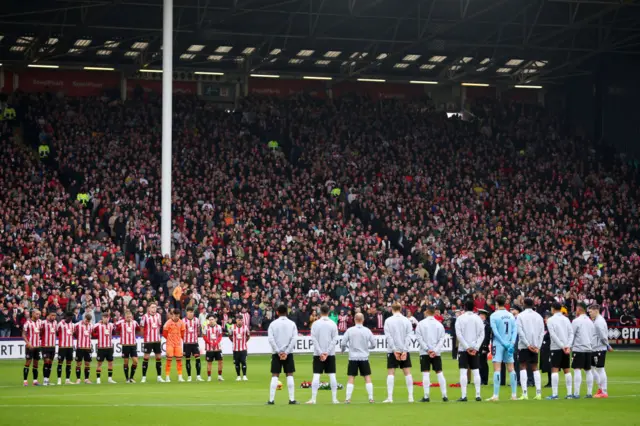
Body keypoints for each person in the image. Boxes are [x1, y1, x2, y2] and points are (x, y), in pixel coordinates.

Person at [266, 304, 299, 405]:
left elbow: (271, 339)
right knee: (289, 374)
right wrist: (286, 352)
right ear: (287, 312)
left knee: (275, 375)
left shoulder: (273, 324)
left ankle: (271, 400)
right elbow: (294, 339)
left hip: (276, 354)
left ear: (277, 312)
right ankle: (292, 399)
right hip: (288, 353)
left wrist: (279, 352)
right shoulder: (292, 324)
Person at [307, 305, 339, 405]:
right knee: (332, 375)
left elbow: (314, 339)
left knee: (316, 375)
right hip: (330, 354)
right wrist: (327, 352)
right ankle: (334, 399)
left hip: (318, 354)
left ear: (320, 312)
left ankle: (313, 399)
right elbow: (335, 339)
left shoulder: (316, 324)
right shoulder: (333, 323)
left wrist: (321, 352)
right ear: (328, 311)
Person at [415, 305, 448, 402]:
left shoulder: (421, 324)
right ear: (434, 312)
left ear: (426, 311)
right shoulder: (439, 325)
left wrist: (427, 349)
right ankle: (444, 395)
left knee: (426, 373)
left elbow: (419, 338)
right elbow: (442, 339)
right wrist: (435, 350)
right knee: (439, 372)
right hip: (436, 352)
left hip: (425, 352)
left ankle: (426, 396)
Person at [340, 312, 376, 403]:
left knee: (351, 377)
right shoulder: (367, 330)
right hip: (364, 357)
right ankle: (371, 398)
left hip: (353, 357)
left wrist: (343, 349)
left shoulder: (350, 330)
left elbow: (343, 343)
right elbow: (374, 344)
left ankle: (348, 398)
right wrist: (367, 348)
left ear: (354, 319)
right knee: (367, 377)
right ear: (363, 320)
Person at [383, 302, 414, 403]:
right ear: (401, 309)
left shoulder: (388, 320)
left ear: (392, 309)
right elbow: (409, 336)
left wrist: (394, 349)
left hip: (393, 350)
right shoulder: (406, 320)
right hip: (404, 349)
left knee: (391, 373)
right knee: (407, 373)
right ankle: (410, 397)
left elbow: (388, 336)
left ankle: (390, 397)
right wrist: (405, 350)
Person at [487, 295, 517, 401]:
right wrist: (511, 343)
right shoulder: (511, 315)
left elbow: (495, 332)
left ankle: (496, 395)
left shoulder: (494, 316)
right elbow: (514, 330)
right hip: (509, 344)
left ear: (496, 303)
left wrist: (503, 343)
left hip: (499, 344)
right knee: (511, 368)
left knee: (497, 368)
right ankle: (514, 395)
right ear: (505, 303)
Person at [455, 299, 484, 402]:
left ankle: (464, 396)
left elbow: (459, 334)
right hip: (474, 349)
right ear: (474, 307)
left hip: (464, 349)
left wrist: (466, 347)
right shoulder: (478, 318)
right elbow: (482, 334)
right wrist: (476, 347)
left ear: (464, 307)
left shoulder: (460, 318)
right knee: (476, 371)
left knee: (463, 372)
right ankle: (478, 395)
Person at [515, 298, 544, 400]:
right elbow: (541, 332)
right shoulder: (539, 316)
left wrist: (527, 344)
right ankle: (538, 393)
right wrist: (538, 346)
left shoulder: (520, 316)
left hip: (524, 345)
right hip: (535, 345)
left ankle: (524, 393)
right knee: (535, 367)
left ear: (524, 305)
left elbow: (520, 332)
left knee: (523, 367)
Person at [546, 302, 574, 400]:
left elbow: (553, 335)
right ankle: (570, 394)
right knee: (567, 370)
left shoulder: (550, 320)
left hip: (556, 347)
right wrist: (568, 346)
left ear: (553, 309)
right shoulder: (566, 319)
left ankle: (555, 394)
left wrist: (562, 346)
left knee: (554, 369)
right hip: (566, 347)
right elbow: (571, 333)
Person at [571, 302, 595, 399]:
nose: (575, 311)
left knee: (577, 370)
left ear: (579, 309)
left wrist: (569, 346)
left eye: (576, 309)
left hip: (579, 348)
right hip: (589, 348)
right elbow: (593, 335)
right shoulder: (590, 321)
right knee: (588, 370)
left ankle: (576, 393)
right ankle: (589, 393)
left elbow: (571, 335)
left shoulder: (576, 321)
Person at [589, 304, 613, 398]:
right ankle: (600, 388)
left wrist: (607, 345)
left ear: (596, 310)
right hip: (595, 348)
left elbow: (603, 336)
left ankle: (604, 391)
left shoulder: (599, 322)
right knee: (591, 368)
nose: (590, 313)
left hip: (599, 348)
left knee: (600, 369)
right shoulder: (597, 320)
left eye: (591, 311)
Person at [140, 303, 164, 383]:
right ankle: (143, 377)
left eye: (155, 307)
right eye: (152, 307)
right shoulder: (144, 317)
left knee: (158, 358)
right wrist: (145, 337)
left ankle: (159, 377)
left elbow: (159, 326)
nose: (154, 309)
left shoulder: (158, 316)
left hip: (157, 340)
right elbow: (142, 328)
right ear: (149, 308)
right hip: (148, 340)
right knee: (146, 358)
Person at [115, 310, 139, 383]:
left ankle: (131, 377)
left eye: (130, 317)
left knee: (135, 361)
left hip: (133, 344)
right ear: (125, 317)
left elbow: (138, 329)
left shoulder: (134, 322)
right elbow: (115, 327)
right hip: (125, 345)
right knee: (126, 361)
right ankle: (127, 378)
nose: (129, 318)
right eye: (127, 317)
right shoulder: (121, 323)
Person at [163, 309, 186, 382]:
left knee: (179, 360)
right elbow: (164, 333)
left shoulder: (181, 322)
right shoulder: (168, 323)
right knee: (169, 360)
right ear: (172, 315)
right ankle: (167, 377)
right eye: (175, 316)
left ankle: (180, 376)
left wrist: (179, 339)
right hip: (170, 344)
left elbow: (182, 333)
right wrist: (170, 339)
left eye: (178, 316)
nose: (177, 317)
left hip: (178, 344)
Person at [94, 313, 117, 384]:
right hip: (101, 347)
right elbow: (92, 330)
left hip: (109, 347)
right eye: (104, 317)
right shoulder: (98, 325)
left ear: (109, 318)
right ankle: (98, 379)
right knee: (99, 363)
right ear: (102, 318)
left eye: (107, 317)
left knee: (110, 363)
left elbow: (114, 332)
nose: (106, 319)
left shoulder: (111, 325)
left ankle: (110, 379)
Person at [183, 307, 203, 382]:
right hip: (186, 344)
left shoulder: (197, 320)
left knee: (198, 359)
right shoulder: (183, 321)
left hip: (195, 343)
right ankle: (189, 377)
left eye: (192, 312)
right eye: (189, 312)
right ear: (186, 312)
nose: (191, 313)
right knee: (187, 360)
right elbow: (181, 332)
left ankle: (198, 376)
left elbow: (198, 330)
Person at [22, 309, 42, 386]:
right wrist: (28, 343)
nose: (38, 315)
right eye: (37, 314)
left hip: (37, 346)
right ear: (33, 314)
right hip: (30, 346)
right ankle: (25, 381)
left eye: (39, 314)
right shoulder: (27, 323)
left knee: (36, 363)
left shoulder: (40, 322)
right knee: (28, 362)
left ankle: (35, 381)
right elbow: (23, 334)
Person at [203, 314, 224, 382]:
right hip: (209, 348)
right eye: (210, 320)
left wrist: (216, 343)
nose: (211, 321)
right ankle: (209, 377)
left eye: (212, 319)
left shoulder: (219, 327)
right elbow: (204, 336)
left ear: (215, 319)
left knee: (220, 362)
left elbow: (220, 336)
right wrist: (210, 343)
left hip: (218, 348)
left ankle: (219, 376)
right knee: (209, 363)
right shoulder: (205, 327)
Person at [74, 313, 93, 384]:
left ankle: (86, 379)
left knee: (87, 363)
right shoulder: (77, 325)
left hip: (87, 347)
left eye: (88, 321)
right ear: (84, 318)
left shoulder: (91, 325)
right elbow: (73, 332)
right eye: (86, 320)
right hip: (80, 347)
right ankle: (78, 379)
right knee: (78, 363)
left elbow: (92, 334)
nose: (87, 322)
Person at [56, 312, 75, 385]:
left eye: (71, 318)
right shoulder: (61, 323)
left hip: (70, 347)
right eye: (68, 317)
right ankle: (59, 379)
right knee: (60, 363)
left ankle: (67, 379)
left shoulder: (72, 324)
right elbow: (57, 332)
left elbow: (73, 333)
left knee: (69, 363)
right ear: (65, 317)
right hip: (62, 347)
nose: (69, 319)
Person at [40, 311, 57, 386]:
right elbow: (40, 332)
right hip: (45, 346)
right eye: (52, 315)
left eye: (54, 316)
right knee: (46, 362)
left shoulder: (55, 322)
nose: (53, 317)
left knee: (50, 363)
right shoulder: (43, 323)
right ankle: (44, 380)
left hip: (52, 346)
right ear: (49, 315)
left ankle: (47, 380)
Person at [230, 316, 250, 381]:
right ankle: (238, 376)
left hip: (243, 348)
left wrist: (244, 341)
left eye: (241, 320)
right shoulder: (232, 327)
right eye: (239, 320)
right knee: (237, 363)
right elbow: (230, 335)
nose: (240, 321)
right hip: (235, 349)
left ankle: (244, 375)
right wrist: (233, 341)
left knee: (243, 362)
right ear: (236, 320)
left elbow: (248, 336)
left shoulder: (245, 327)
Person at [478, 309, 491, 385]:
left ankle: (484, 380)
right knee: (479, 363)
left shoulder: (486, 325)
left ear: (483, 316)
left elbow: (486, 337)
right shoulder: (480, 324)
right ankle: (480, 379)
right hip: (479, 346)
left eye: (480, 315)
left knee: (483, 363)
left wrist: (485, 346)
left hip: (483, 346)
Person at [540, 312, 552, 388]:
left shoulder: (551, 327)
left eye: (547, 318)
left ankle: (551, 382)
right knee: (547, 366)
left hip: (550, 348)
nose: (545, 319)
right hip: (544, 349)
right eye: (545, 318)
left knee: (550, 365)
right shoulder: (544, 327)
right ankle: (549, 381)